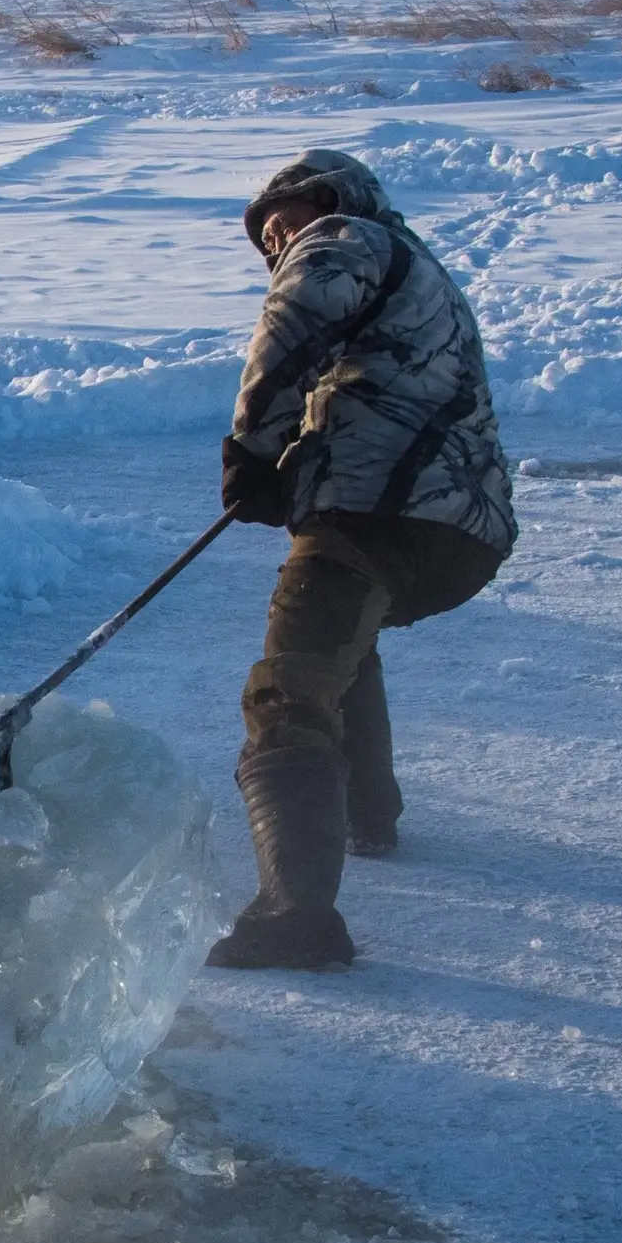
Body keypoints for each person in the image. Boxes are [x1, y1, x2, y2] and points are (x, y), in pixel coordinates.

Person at [209, 149, 517, 971]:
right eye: (267, 240)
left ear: (330, 198)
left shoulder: (345, 238)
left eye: (280, 223)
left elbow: (293, 323)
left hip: (382, 509)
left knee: (291, 685)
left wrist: (250, 450)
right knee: (346, 646)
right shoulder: (419, 274)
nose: (278, 245)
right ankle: (368, 811)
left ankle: (295, 917)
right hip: (458, 531)